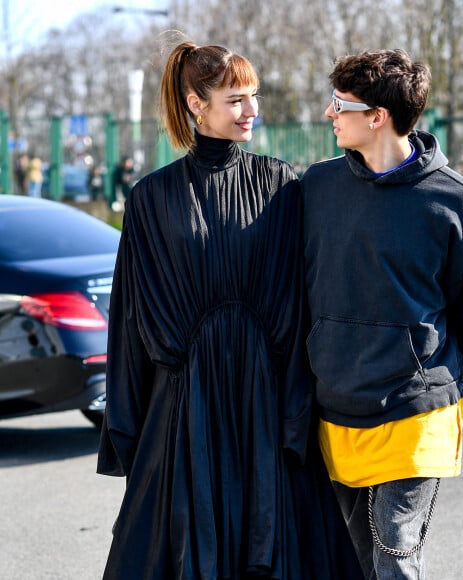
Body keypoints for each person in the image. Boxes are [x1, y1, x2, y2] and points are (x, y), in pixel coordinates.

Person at [97, 40, 363, 580]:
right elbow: (130, 319)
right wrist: (126, 427)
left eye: (255, 96)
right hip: (182, 414)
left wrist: (304, 406)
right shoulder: (150, 198)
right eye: (236, 99)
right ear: (196, 104)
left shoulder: (281, 184)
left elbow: (307, 297)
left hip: (268, 399)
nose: (252, 111)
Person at [301, 49, 463, 579]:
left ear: (377, 116)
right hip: (337, 406)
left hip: (416, 409)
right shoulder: (317, 188)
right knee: (352, 558)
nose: (330, 114)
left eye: (339, 104)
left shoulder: (453, 199)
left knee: (394, 553)